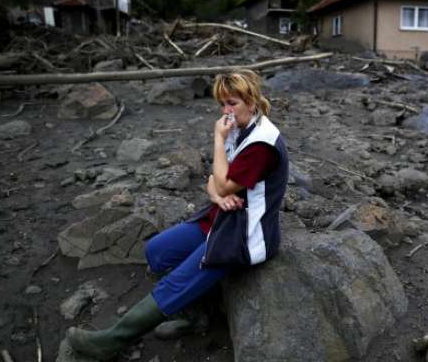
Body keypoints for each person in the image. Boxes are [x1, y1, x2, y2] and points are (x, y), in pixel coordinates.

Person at [66, 69, 289, 359]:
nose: (226, 111)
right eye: (222, 104)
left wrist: (218, 142)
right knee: (157, 251)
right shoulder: (242, 128)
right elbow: (214, 182)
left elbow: (221, 181)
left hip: (245, 233)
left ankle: (112, 341)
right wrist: (216, 196)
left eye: (232, 103)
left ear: (251, 100)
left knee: (177, 281)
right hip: (221, 216)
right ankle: (196, 315)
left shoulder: (261, 143)